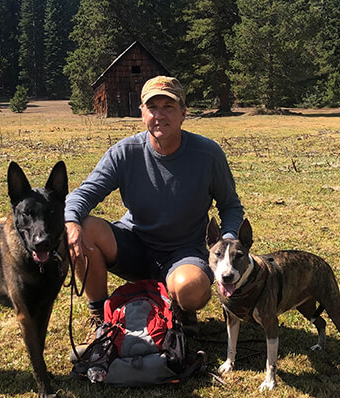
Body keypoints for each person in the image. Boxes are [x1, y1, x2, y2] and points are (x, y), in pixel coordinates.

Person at [64, 75, 244, 326]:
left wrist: (228, 241)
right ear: (142, 114)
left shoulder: (207, 154)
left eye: (168, 107)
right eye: (152, 107)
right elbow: (83, 194)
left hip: (184, 251)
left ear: (183, 113)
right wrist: (70, 223)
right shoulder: (125, 152)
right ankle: (100, 316)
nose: (159, 115)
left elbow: (230, 206)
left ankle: (180, 306)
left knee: (190, 289)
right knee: (85, 227)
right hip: (135, 246)